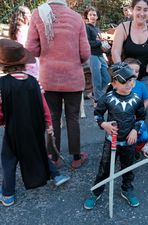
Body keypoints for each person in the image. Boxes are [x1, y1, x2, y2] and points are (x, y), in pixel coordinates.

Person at [0, 39, 70, 207]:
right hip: (35, 127)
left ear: (4, 65)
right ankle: (56, 175)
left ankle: (8, 193)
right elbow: (44, 106)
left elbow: (0, 110)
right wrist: (49, 124)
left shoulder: (2, 85)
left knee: (9, 159)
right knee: (38, 150)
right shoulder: (33, 81)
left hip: (14, 130)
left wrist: (2, 121)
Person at [26, 0, 91, 168]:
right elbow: (85, 53)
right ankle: (76, 158)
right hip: (73, 78)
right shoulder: (76, 18)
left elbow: (31, 50)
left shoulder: (38, 14)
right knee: (73, 118)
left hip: (49, 77)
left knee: (53, 118)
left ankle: (53, 157)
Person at [83, 63, 146, 210]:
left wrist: (135, 130)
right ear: (114, 83)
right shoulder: (107, 98)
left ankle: (127, 189)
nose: (130, 84)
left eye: (132, 80)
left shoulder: (136, 99)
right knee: (104, 168)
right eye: (125, 81)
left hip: (129, 142)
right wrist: (103, 124)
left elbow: (141, 117)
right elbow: (97, 114)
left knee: (128, 167)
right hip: (111, 141)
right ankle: (96, 191)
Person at [111, 0, 148, 155]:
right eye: (138, 9)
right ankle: (126, 140)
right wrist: (122, 72)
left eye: (145, 10)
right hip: (130, 77)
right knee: (127, 110)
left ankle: (143, 142)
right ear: (131, 10)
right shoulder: (123, 27)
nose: (142, 13)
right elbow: (115, 52)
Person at [124, 58, 148, 157]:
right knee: (126, 137)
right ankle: (128, 151)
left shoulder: (141, 85)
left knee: (144, 137)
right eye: (132, 70)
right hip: (124, 117)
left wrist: (141, 110)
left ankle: (139, 148)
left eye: (137, 71)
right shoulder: (121, 85)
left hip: (137, 116)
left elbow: (146, 99)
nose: (135, 73)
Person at [84, 6, 110, 105]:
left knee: (107, 77)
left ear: (97, 16)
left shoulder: (97, 28)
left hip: (100, 54)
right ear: (87, 16)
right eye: (90, 14)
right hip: (92, 55)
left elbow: (98, 42)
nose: (92, 16)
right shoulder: (87, 27)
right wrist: (99, 43)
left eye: (94, 14)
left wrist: (104, 44)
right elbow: (87, 43)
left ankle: (95, 93)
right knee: (97, 78)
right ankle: (98, 101)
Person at [8, 6, 39, 79]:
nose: (30, 15)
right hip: (28, 67)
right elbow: (25, 48)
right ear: (22, 16)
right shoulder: (23, 30)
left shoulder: (17, 30)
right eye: (28, 13)